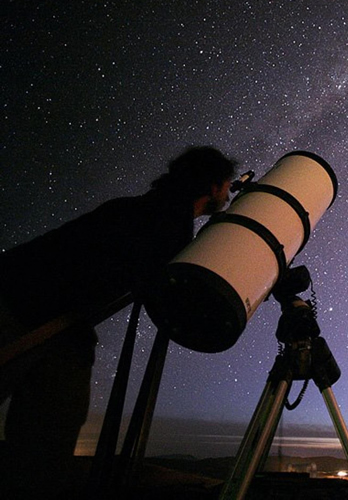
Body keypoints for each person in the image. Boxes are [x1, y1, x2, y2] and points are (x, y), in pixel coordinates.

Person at [0, 146, 237, 498]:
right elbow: (167, 295)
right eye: (228, 187)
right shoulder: (169, 223)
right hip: (27, 312)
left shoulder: (145, 207)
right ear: (213, 185)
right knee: (45, 446)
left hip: (48, 315)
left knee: (50, 426)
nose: (230, 194)